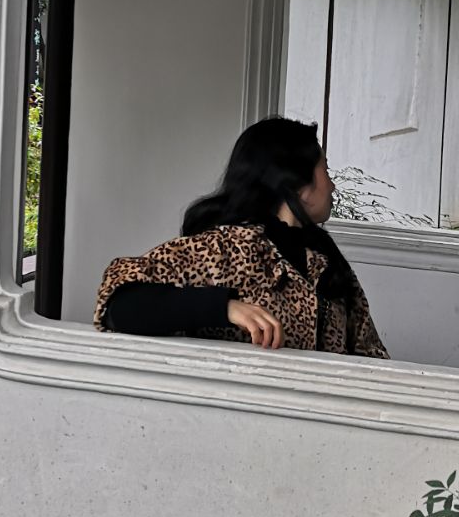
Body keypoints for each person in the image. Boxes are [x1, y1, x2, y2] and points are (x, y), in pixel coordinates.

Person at [94, 117, 390, 358]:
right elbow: (119, 304)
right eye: (325, 169)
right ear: (297, 182)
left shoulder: (329, 262)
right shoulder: (221, 249)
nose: (333, 185)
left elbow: (371, 356)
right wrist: (224, 307)